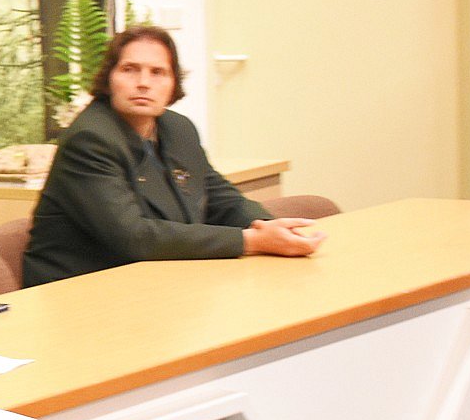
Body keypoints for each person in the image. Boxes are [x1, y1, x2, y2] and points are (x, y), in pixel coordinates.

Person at [24, 25, 325, 286]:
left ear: (173, 85)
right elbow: (134, 236)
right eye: (129, 70)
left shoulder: (178, 129)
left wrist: (268, 226)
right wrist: (252, 241)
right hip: (83, 290)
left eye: (158, 72)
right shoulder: (90, 140)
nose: (143, 82)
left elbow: (221, 199)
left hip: (156, 282)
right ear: (108, 79)